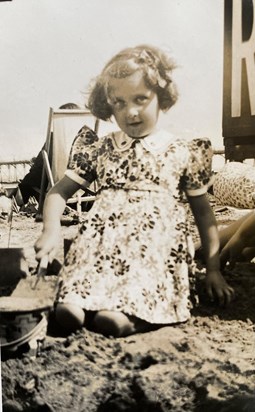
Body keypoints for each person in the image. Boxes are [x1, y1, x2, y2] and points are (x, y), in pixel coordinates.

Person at [34, 44, 234, 338]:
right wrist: (50, 230)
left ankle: (131, 320)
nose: (131, 112)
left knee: (123, 309)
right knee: (70, 308)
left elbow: (204, 214)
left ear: (161, 98)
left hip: (153, 255)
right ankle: (79, 307)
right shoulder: (101, 149)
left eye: (141, 99)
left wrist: (213, 269)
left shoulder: (181, 151)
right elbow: (57, 193)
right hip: (99, 253)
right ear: (108, 105)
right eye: (119, 103)